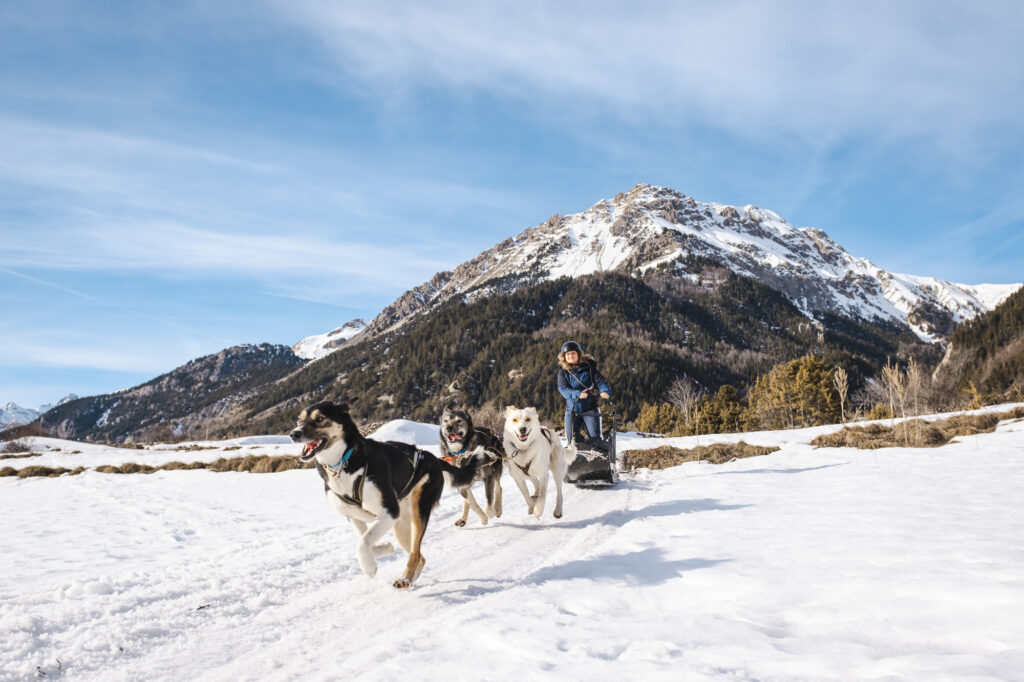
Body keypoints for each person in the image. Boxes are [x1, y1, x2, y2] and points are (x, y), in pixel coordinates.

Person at [556, 340, 611, 444]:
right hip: (572, 410)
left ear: (579, 354)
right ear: (564, 356)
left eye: (573, 353)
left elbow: (601, 381)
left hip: (590, 408)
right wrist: (577, 394)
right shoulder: (563, 373)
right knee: (572, 440)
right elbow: (563, 389)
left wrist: (604, 391)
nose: (570, 356)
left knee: (595, 440)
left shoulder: (589, 369)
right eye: (568, 354)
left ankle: (597, 458)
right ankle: (578, 458)